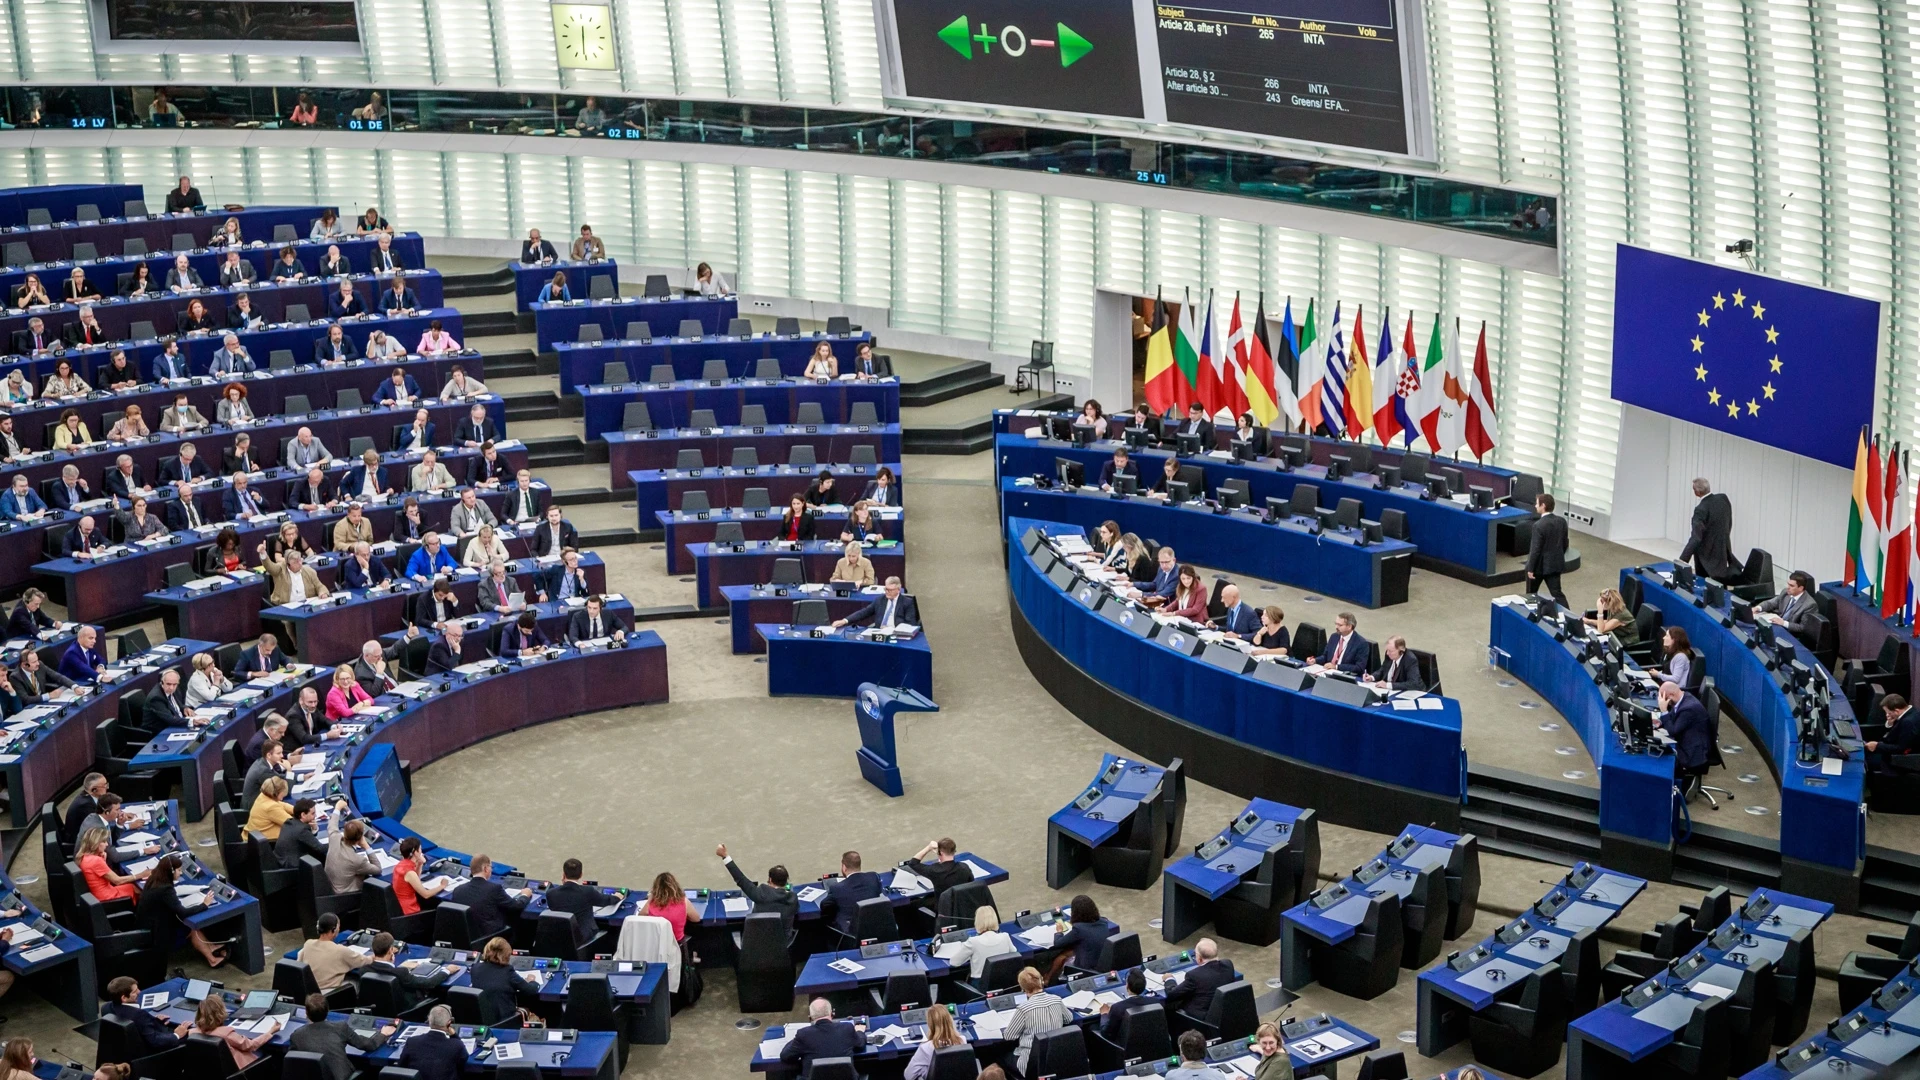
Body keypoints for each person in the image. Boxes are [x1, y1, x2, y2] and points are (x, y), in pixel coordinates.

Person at [137, 854, 228, 967]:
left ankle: (211, 947)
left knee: (189, 926)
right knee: (191, 929)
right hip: (158, 934)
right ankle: (212, 960)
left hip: (149, 924)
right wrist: (204, 904)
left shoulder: (154, 879)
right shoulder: (165, 889)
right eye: (179, 870)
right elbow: (183, 912)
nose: (181, 873)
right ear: (171, 871)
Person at [289, 989, 392, 1080]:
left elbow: (294, 1066)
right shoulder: (340, 1027)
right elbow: (368, 1045)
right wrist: (383, 1034)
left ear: (306, 1013)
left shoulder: (296, 1036)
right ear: (327, 1010)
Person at [365, 931, 458, 1013]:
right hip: (406, 1009)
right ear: (390, 950)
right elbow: (429, 983)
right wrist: (447, 970)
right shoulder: (401, 972)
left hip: (378, 1008)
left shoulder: (364, 968)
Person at [1006, 967, 1073, 1075]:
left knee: (998, 1055)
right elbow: (1069, 1019)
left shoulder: (1023, 1008)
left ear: (1023, 989)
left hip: (1030, 1064)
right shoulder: (1056, 999)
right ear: (1041, 981)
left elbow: (1009, 1036)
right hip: (1055, 1058)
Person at [448, 854, 532, 939]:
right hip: (489, 937)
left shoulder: (458, 890)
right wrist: (525, 895)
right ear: (485, 868)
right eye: (491, 867)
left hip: (465, 936)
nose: (491, 869)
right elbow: (516, 906)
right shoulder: (494, 889)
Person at [714, 845, 798, 929]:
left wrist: (725, 856)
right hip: (784, 941)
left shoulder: (760, 894)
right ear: (786, 881)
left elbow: (740, 879)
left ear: (770, 879)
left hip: (757, 941)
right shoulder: (793, 899)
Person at [191, 994, 278, 1070]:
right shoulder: (226, 1034)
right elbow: (250, 1045)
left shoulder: (193, 1033)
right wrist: (270, 1032)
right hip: (242, 1071)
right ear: (220, 1012)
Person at [105, 977, 189, 1054]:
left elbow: (141, 1027)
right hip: (153, 1054)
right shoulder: (138, 1015)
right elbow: (155, 1041)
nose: (139, 992)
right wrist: (177, 1035)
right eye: (134, 991)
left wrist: (155, 1021)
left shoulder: (108, 1007)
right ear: (124, 998)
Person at [780, 999, 864, 1074]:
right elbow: (860, 1045)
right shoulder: (847, 1028)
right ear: (832, 1013)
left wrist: (797, 1039)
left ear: (810, 1017)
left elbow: (785, 1056)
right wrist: (860, 1031)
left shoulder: (803, 1034)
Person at [470, 936, 540, 1026]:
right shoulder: (507, 971)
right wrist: (531, 981)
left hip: (482, 1018)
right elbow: (531, 990)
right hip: (505, 1019)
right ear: (506, 955)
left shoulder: (475, 968)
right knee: (531, 1010)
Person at [1164, 937, 1237, 1021]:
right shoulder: (1228, 964)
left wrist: (1169, 979)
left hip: (1201, 1018)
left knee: (1169, 1005)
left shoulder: (1194, 975)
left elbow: (1171, 994)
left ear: (1199, 958)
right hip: (1224, 1012)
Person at [1680, 477, 1740, 580]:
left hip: (1705, 556)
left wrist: (1683, 559)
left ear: (1697, 492)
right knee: (1720, 582)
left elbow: (1696, 537)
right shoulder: (1723, 499)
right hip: (1722, 550)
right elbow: (1728, 522)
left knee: (1704, 584)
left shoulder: (1700, 509)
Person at [1049, 895, 1118, 976]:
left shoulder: (1079, 929)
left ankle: (1048, 979)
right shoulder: (1103, 922)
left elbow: (1058, 943)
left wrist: (1059, 932)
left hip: (1085, 967)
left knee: (1061, 956)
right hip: (1101, 962)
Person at [395, 1004, 464, 1080]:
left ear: (429, 1020)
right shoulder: (456, 1045)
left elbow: (401, 1067)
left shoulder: (412, 1041)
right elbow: (463, 1059)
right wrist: (454, 1035)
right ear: (449, 1023)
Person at [1525, 492, 1570, 606]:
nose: (1535, 506)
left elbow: (1536, 549)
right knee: (1557, 593)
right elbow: (1565, 543)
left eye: (1537, 504)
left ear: (1543, 505)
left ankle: (1532, 615)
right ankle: (1569, 618)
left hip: (1538, 567)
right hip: (1554, 565)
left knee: (1531, 594)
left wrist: (1530, 568)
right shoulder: (1562, 521)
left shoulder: (1538, 525)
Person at [822, 851, 882, 936]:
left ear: (844, 867)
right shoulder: (874, 877)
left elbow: (824, 905)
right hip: (875, 927)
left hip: (851, 934)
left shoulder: (837, 888)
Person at [1657, 682, 1712, 775]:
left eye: (1664, 698)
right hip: (1688, 741)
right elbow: (1674, 716)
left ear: (1671, 695)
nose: (1663, 701)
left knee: (1660, 762)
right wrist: (1660, 722)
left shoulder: (1689, 708)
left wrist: (1664, 711)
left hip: (1693, 754)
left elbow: (1673, 732)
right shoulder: (1684, 697)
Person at [78, 827, 145, 902]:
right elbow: (117, 881)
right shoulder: (96, 860)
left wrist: (103, 859)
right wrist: (141, 875)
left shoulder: (84, 857)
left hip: (98, 894)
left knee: (132, 886)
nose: (106, 844)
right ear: (96, 843)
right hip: (107, 897)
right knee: (137, 889)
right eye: (104, 841)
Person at [902, 1005, 964, 1080]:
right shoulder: (962, 1040)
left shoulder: (926, 1047)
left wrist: (924, 1071)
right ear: (950, 1020)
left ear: (930, 1025)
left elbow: (908, 1075)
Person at [834, 576, 919, 629]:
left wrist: (893, 630)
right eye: (886, 589)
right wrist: (845, 620)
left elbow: (910, 624)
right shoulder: (880, 600)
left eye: (890, 590)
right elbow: (864, 612)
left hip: (896, 635)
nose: (887, 592)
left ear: (898, 590)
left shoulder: (907, 602)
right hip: (879, 632)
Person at [903, 838, 973, 902]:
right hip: (963, 908)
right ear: (954, 851)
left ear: (940, 853)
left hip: (944, 911)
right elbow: (971, 883)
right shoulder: (964, 867)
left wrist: (928, 848)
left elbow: (913, 863)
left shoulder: (935, 870)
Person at [274, 797, 335, 868]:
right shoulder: (301, 830)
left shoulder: (290, 822)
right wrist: (336, 842)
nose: (315, 816)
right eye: (313, 813)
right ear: (303, 815)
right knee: (322, 856)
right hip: (291, 867)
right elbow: (321, 849)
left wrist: (314, 829)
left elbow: (306, 839)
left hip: (280, 860)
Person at [326, 818, 382, 896]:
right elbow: (378, 869)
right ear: (361, 837)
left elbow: (332, 826)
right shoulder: (357, 860)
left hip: (329, 887)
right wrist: (366, 846)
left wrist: (337, 808)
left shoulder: (334, 839)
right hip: (345, 897)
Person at [642, 871, 702, 942]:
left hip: (656, 943)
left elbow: (640, 917)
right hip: (676, 942)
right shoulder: (684, 901)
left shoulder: (650, 904)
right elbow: (696, 919)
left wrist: (650, 899)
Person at [1756, 571, 1819, 637]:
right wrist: (1757, 608)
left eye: (1791, 586)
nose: (1788, 587)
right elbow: (1771, 603)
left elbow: (1802, 628)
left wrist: (1783, 623)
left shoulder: (1810, 605)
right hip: (1777, 624)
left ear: (1801, 588)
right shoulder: (1785, 592)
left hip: (1790, 633)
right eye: (1788, 584)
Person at [1868, 695, 1920, 773]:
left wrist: (1877, 746)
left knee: (1865, 760)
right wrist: (1890, 724)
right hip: (1897, 752)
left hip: (1899, 760)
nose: (1887, 715)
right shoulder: (1912, 711)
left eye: (1888, 712)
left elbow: (1901, 748)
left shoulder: (1908, 722)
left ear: (1896, 711)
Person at [247, 775, 295, 840]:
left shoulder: (263, 796)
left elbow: (282, 805)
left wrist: (297, 810)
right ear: (275, 793)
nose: (281, 799)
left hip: (252, 838)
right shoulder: (271, 807)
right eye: (282, 796)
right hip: (266, 842)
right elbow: (293, 824)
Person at [1655, 626, 1698, 690]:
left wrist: (1658, 675)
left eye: (1667, 636)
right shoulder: (1671, 652)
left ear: (1674, 640)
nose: (1663, 638)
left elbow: (1675, 679)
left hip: (1674, 691)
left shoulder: (1681, 657)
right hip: (1667, 687)